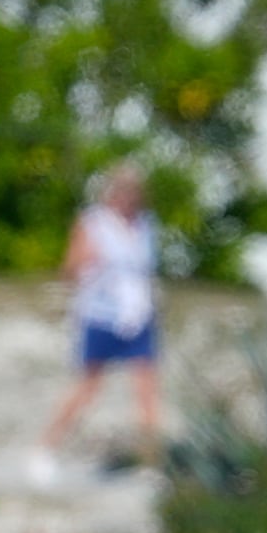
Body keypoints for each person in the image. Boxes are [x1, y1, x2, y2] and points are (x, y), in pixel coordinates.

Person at [36, 160, 161, 479]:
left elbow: (146, 270)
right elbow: (69, 270)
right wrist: (86, 262)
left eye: (132, 191)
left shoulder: (147, 224)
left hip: (138, 314)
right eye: (121, 190)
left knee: (147, 388)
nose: (127, 197)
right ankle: (45, 447)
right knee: (88, 386)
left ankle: (151, 462)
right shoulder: (93, 223)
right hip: (101, 315)